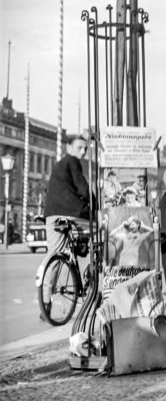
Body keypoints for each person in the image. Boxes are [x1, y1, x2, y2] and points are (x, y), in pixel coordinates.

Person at [43, 135, 93, 316]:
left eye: (85, 149)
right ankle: (89, 272)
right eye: (80, 147)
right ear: (69, 148)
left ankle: (45, 300)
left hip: (51, 215)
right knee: (98, 230)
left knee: (53, 255)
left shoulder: (58, 165)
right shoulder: (73, 162)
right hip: (71, 213)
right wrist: (95, 203)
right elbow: (82, 187)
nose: (83, 151)